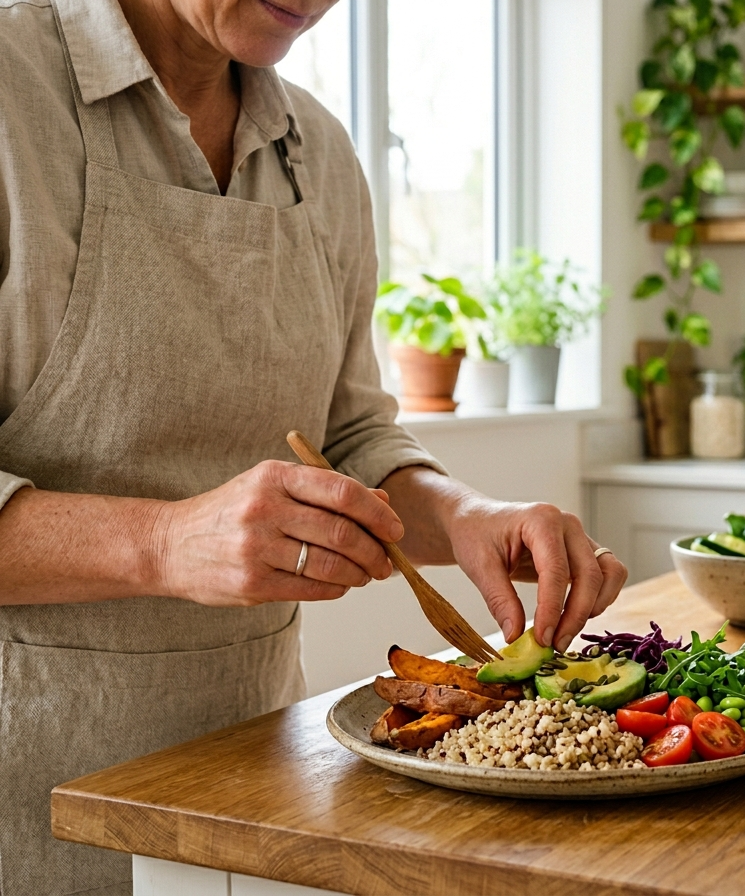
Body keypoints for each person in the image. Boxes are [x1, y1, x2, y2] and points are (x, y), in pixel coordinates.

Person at [0, 0, 628, 891]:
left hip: (248, 789)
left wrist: (467, 516)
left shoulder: (320, 154)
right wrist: (165, 543)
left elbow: (351, 435)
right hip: (24, 775)